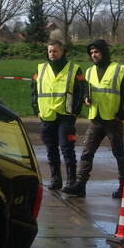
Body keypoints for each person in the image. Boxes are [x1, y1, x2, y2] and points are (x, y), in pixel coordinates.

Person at [63, 39, 124, 199]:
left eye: (97, 52)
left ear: (104, 52)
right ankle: (80, 185)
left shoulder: (118, 70)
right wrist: (86, 97)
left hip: (113, 119)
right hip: (96, 118)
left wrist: (121, 114)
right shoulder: (90, 71)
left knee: (118, 153)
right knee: (87, 152)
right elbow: (88, 90)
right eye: (91, 53)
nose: (94, 55)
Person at [31, 39, 84, 191]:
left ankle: (71, 181)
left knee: (67, 149)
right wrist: (37, 111)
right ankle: (56, 179)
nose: (52, 54)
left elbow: (80, 92)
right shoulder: (40, 69)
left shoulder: (74, 69)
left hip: (65, 117)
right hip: (47, 116)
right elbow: (34, 91)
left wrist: (74, 114)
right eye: (50, 51)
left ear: (62, 52)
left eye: (55, 51)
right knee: (51, 149)